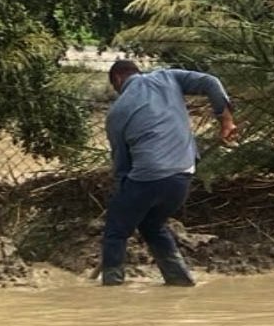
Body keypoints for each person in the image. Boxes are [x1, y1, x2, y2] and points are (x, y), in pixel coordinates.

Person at [101, 59, 237, 287]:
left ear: (117, 80)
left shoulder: (117, 113)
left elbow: (122, 166)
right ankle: (179, 280)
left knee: (116, 231)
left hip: (147, 178)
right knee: (152, 226)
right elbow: (211, 82)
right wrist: (226, 122)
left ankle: (111, 288)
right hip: (183, 176)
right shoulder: (168, 77)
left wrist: (125, 198)